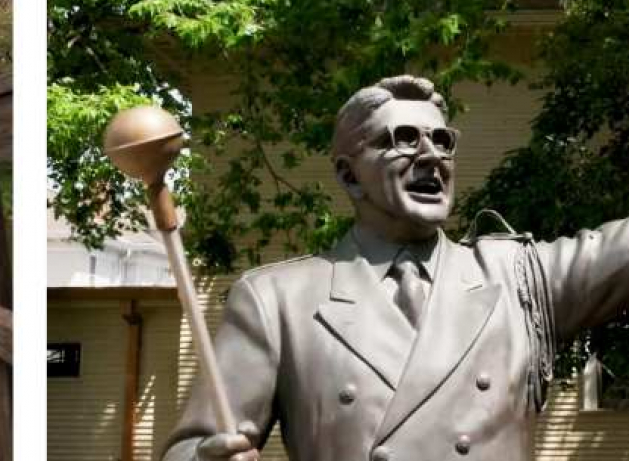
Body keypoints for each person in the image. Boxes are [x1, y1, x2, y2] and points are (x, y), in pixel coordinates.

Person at [162, 76, 629, 461]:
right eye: (404, 140)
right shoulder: (277, 299)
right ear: (349, 175)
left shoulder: (520, 279)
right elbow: (189, 448)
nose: (431, 156)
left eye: (442, 141)